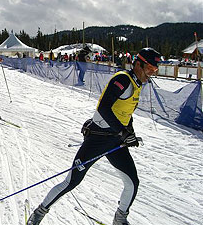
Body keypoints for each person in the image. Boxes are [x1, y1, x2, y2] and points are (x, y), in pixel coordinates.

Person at [27, 48, 161, 225]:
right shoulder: (122, 79)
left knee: (132, 182)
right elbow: (104, 108)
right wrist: (123, 133)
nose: (152, 74)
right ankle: (38, 214)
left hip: (115, 141)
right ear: (138, 64)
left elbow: (125, 113)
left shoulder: (138, 84)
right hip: (97, 139)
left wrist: (130, 134)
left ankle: (120, 220)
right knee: (71, 182)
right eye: (150, 69)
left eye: (155, 70)